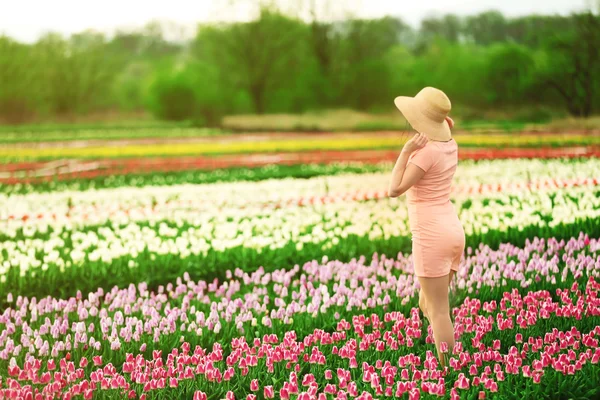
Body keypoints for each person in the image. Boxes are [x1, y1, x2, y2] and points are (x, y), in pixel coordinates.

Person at [387, 87, 465, 367]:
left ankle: (449, 372)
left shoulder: (425, 153)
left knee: (438, 310)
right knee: (426, 302)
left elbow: (394, 188)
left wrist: (406, 150)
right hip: (453, 230)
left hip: (431, 235)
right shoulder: (449, 145)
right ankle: (449, 354)